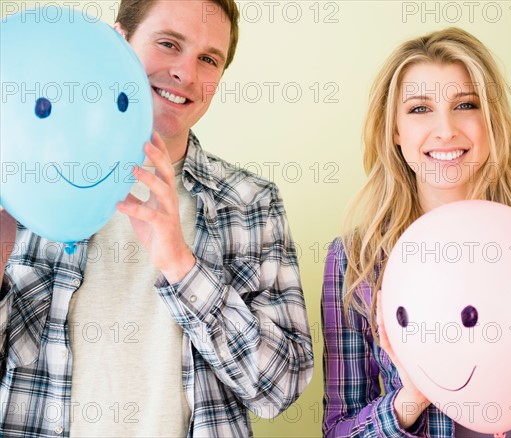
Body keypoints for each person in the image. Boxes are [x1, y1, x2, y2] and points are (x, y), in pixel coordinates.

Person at [0, 1, 313, 436]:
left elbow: (280, 388)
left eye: (208, 59)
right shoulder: (21, 185)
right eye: (168, 43)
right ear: (118, 43)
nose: (185, 72)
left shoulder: (251, 202)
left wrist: (182, 267)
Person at [321, 27, 511, 437]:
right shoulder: (355, 259)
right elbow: (338, 430)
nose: (445, 129)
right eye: (419, 109)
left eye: (465, 104)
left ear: (491, 120)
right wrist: (408, 400)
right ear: (395, 130)